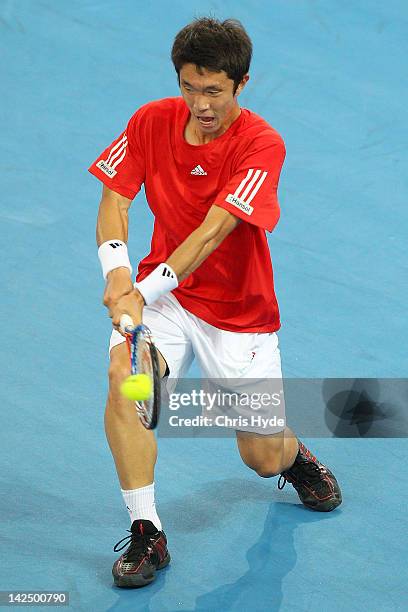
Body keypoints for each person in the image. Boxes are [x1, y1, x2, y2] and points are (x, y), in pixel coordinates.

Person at [89, 17, 342, 589]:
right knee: (125, 381)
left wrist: (139, 291)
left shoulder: (261, 144)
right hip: (166, 307)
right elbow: (115, 198)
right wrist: (116, 272)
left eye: (214, 92)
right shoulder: (151, 121)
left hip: (237, 316)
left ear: (242, 84)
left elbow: (211, 232)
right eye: (189, 87)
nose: (200, 104)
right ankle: (147, 530)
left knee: (262, 458)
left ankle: (292, 453)